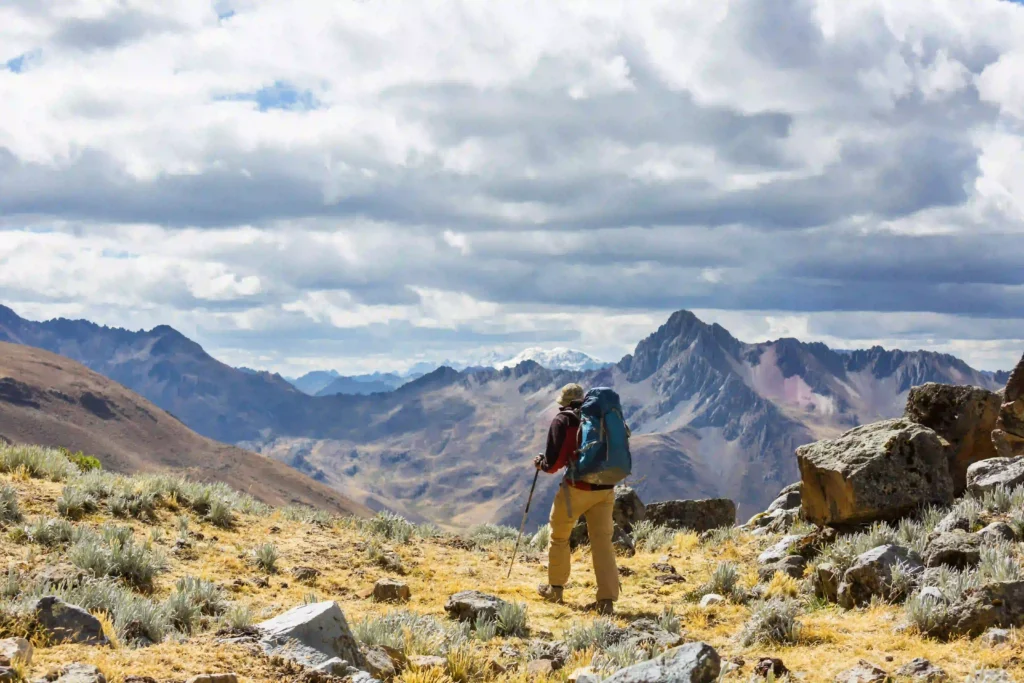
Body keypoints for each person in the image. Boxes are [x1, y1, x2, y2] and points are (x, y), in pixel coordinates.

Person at [533, 382, 619, 615]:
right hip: (606, 488)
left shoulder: (563, 421)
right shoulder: (601, 416)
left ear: (564, 403)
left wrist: (541, 464)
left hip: (577, 488)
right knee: (602, 542)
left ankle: (556, 589)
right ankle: (607, 600)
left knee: (559, 535)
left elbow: (553, 464)